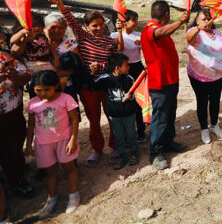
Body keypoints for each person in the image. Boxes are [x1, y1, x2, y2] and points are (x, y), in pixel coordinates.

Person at [44, 0, 119, 166]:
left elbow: (115, 63)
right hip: (87, 85)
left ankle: (115, 146)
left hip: (107, 84)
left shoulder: (110, 42)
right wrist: (59, 3)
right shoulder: (82, 37)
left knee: (112, 116)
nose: (99, 28)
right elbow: (69, 18)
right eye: (94, 25)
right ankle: (97, 149)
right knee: (93, 119)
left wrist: (100, 67)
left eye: (101, 25)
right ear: (86, 26)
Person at [141, 1, 190, 170]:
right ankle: (156, 152)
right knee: (160, 118)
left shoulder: (157, 29)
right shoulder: (150, 29)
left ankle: (168, 142)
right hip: (160, 83)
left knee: (169, 115)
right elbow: (159, 32)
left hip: (170, 81)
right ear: (166, 15)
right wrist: (180, 22)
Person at [25, 70, 80, 217]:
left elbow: (75, 120)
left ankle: (74, 194)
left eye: (46, 89)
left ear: (56, 86)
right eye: (38, 90)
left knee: (69, 168)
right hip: (43, 144)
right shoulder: (33, 103)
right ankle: (52, 197)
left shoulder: (66, 99)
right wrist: (29, 144)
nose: (42, 93)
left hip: (64, 141)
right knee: (49, 172)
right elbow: (31, 124)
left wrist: (73, 139)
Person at [187, 8, 222, 144]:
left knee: (215, 101)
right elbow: (189, 39)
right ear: (197, 20)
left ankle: (214, 125)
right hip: (199, 76)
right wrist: (198, 28)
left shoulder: (217, 33)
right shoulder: (194, 32)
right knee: (202, 102)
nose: (207, 21)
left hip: (217, 74)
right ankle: (204, 129)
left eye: (208, 19)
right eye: (203, 19)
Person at [93, 54, 138, 170]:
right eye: (126, 65)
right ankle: (123, 155)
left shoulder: (129, 78)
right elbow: (92, 85)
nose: (128, 67)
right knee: (119, 136)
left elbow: (136, 93)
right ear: (117, 68)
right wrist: (92, 72)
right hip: (114, 116)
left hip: (129, 114)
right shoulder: (105, 79)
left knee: (131, 134)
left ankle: (134, 154)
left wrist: (130, 96)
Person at [0, 51, 33, 198]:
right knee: (6, 149)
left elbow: (27, 74)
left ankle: (17, 173)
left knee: (14, 145)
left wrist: (17, 77)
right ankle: (16, 182)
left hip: (13, 111)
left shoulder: (3, 56)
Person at [111, 10, 146, 143]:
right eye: (134, 20)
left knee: (139, 101)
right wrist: (119, 31)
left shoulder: (139, 35)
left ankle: (141, 131)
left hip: (137, 68)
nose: (137, 23)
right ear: (124, 22)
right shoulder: (114, 35)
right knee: (124, 100)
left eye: (137, 20)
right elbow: (119, 49)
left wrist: (142, 43)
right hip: (121, 71)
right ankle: (125, 134)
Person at [44, 13, 84, 111]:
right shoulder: (40, 43)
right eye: (53, 27)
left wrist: (64, 72)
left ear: (65, 29)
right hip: (43, 88)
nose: (57, 30)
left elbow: (79, 65)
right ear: (45, 28)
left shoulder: (70, 43)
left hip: (67, 87)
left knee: (70, 117)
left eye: (61, 27)